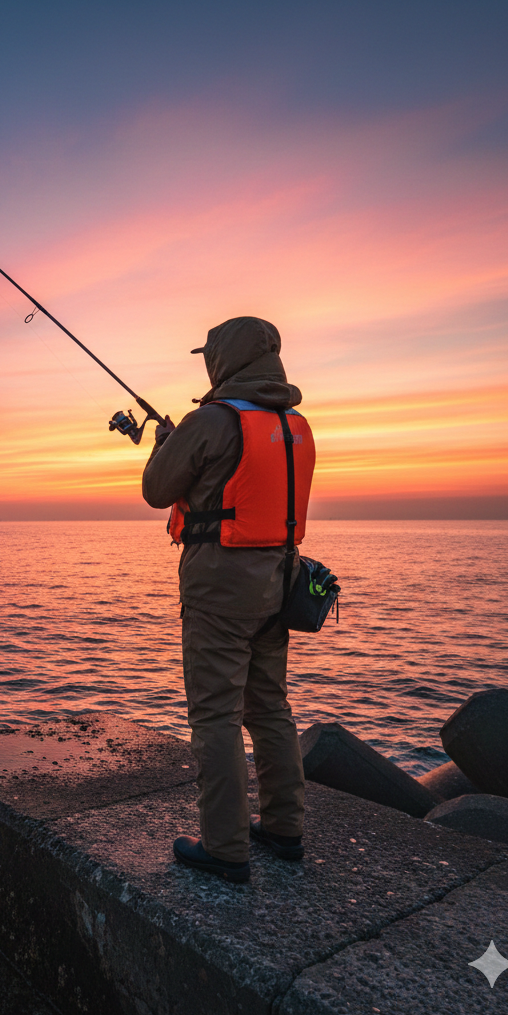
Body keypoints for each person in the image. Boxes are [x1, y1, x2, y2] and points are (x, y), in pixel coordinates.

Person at [142, 316, 314, 883]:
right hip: (279, 584)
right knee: (270, 708)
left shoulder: (210, 421)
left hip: (220, 588)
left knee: (215, 716)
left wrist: (170, 444)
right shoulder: (295, 423)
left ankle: (225, 848)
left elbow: (156, 490)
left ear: (225, 361)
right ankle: (285, 828)